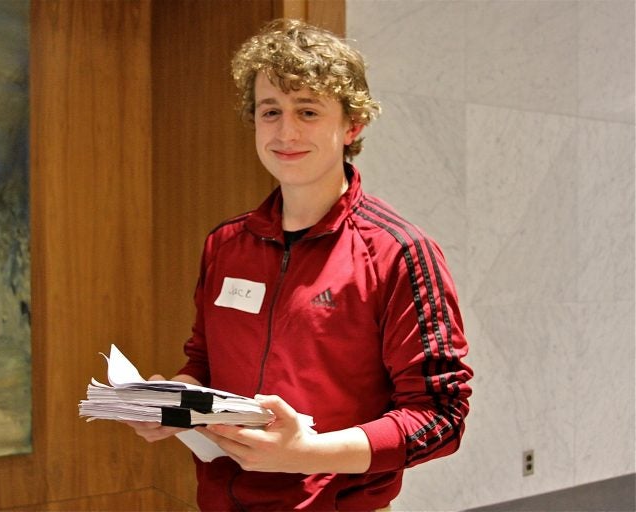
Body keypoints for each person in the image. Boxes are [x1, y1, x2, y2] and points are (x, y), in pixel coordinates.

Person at [126, 18, 473, 511]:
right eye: (271, 111)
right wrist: (174, 404)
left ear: (351, 125)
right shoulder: (226, 244)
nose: (285, 132)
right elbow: (203, 364)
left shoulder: (398, 252)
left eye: (307, 111)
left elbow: (440, 416)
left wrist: (309, 453)